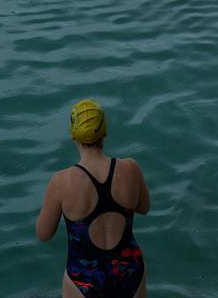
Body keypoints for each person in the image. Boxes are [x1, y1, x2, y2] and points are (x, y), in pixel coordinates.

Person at [37, 100, 151, 298]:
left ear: (73, 136)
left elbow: (44, 234)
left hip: (85, 278)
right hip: (129, 270)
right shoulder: (130, 168)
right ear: (104, 133)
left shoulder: (61, 182)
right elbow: (144, 208)